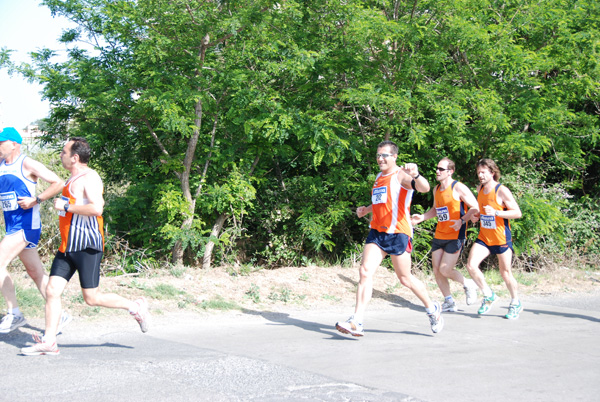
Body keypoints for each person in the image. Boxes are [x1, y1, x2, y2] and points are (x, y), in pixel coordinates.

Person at [21, 137, 150, 356]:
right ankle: (49, 342)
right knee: (52, 291)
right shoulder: (72, 179)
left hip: (86, 245)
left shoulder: (90, 178)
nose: (60, 155)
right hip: (67, 246)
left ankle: (135, 307)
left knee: (91, 298)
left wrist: (67, 206)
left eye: (63, 152)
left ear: (75, 157)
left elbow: (97, 209)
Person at [335, 140, 443, 337]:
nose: (380, 158)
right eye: (378, 155)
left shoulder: (401, 175)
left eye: (384, 155)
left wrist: (416, 174)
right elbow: (382, 200)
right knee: (365, 271)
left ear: (394, 157)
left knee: (405, 278)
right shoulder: (379, 176)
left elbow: (425, 188)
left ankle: (432, 308)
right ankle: (357, 320)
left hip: (398, 233)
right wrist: (366, 209)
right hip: (377, 232)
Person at [0, 127, 72, 334]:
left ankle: (14, 313)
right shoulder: (1, 164)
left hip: (26, 225)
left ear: (14, 144)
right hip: (12, 226)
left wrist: (36, 199)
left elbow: (58, 182)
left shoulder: (26, 163)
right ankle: (60, 315)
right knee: (35, 273)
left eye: (1, 143)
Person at [411, 157, 480, 312]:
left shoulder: (458, 188)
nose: (437, 171)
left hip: (456, 235)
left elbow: (475, 207)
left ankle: (468, 284)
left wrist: (462, 221)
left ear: (450, 172)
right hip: (440, 234)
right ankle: (449, 301)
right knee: (436, 269)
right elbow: (436, 210)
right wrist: (422, 217)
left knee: (445, 269)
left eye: (441, 169)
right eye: (437, 168)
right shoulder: (436, 189)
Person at [466, 158, 523, 319]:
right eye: (478, 173)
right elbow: (482, 211)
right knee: (471, 265)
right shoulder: (480, 189)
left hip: (501, 238)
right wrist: (477, 216)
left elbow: (517, 213)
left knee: (505, 273)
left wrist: (497, 213)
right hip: (485, 237)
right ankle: (488, 294)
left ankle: (515, 302)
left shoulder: (501, 190)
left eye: (483, 172)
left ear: (492, 172)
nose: (480, 175)